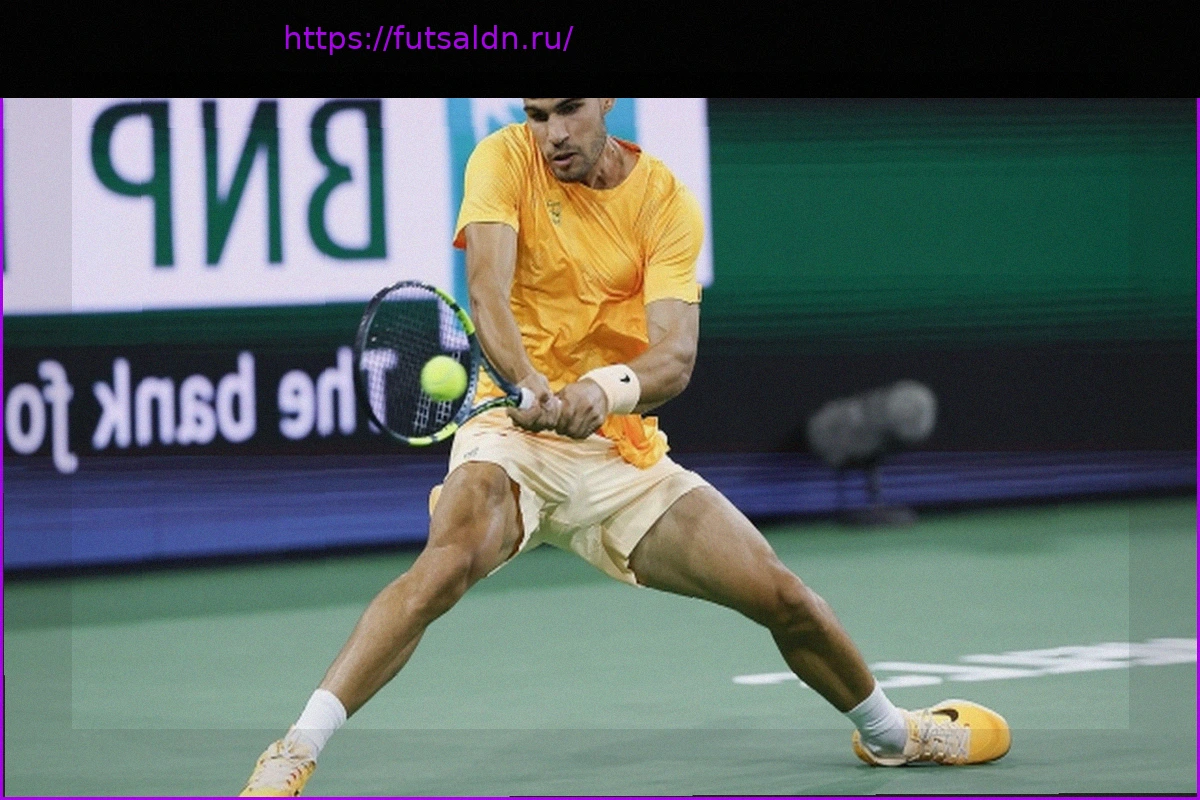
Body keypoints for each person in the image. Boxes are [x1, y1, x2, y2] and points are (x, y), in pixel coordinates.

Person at [239, 97, 1010, 796]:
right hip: (510, 436)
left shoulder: (665, 201)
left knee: (782, 596)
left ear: (607, 102)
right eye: (537, 114)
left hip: (620, 453)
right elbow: (486, 293)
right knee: (442, 567)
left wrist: (600, 393)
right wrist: (531, 384)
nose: (552, 133)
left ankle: (891, 736)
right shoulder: (502, 158)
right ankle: (294, 751)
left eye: (569, 110)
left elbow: (675, 356)